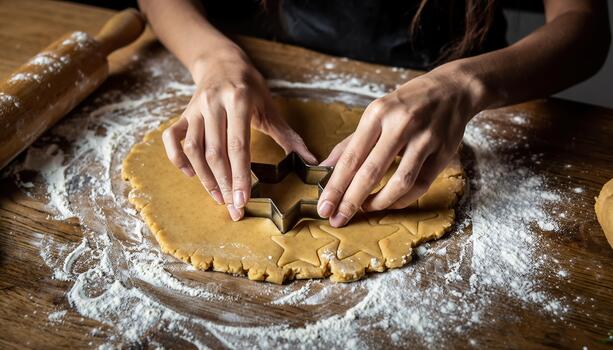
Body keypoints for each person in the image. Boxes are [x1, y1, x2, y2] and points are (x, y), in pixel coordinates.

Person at [138, 0, 610, 227]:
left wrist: (466, 82)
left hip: (465, 84)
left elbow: (583, 27)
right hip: (272, 64)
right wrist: (212, 58)